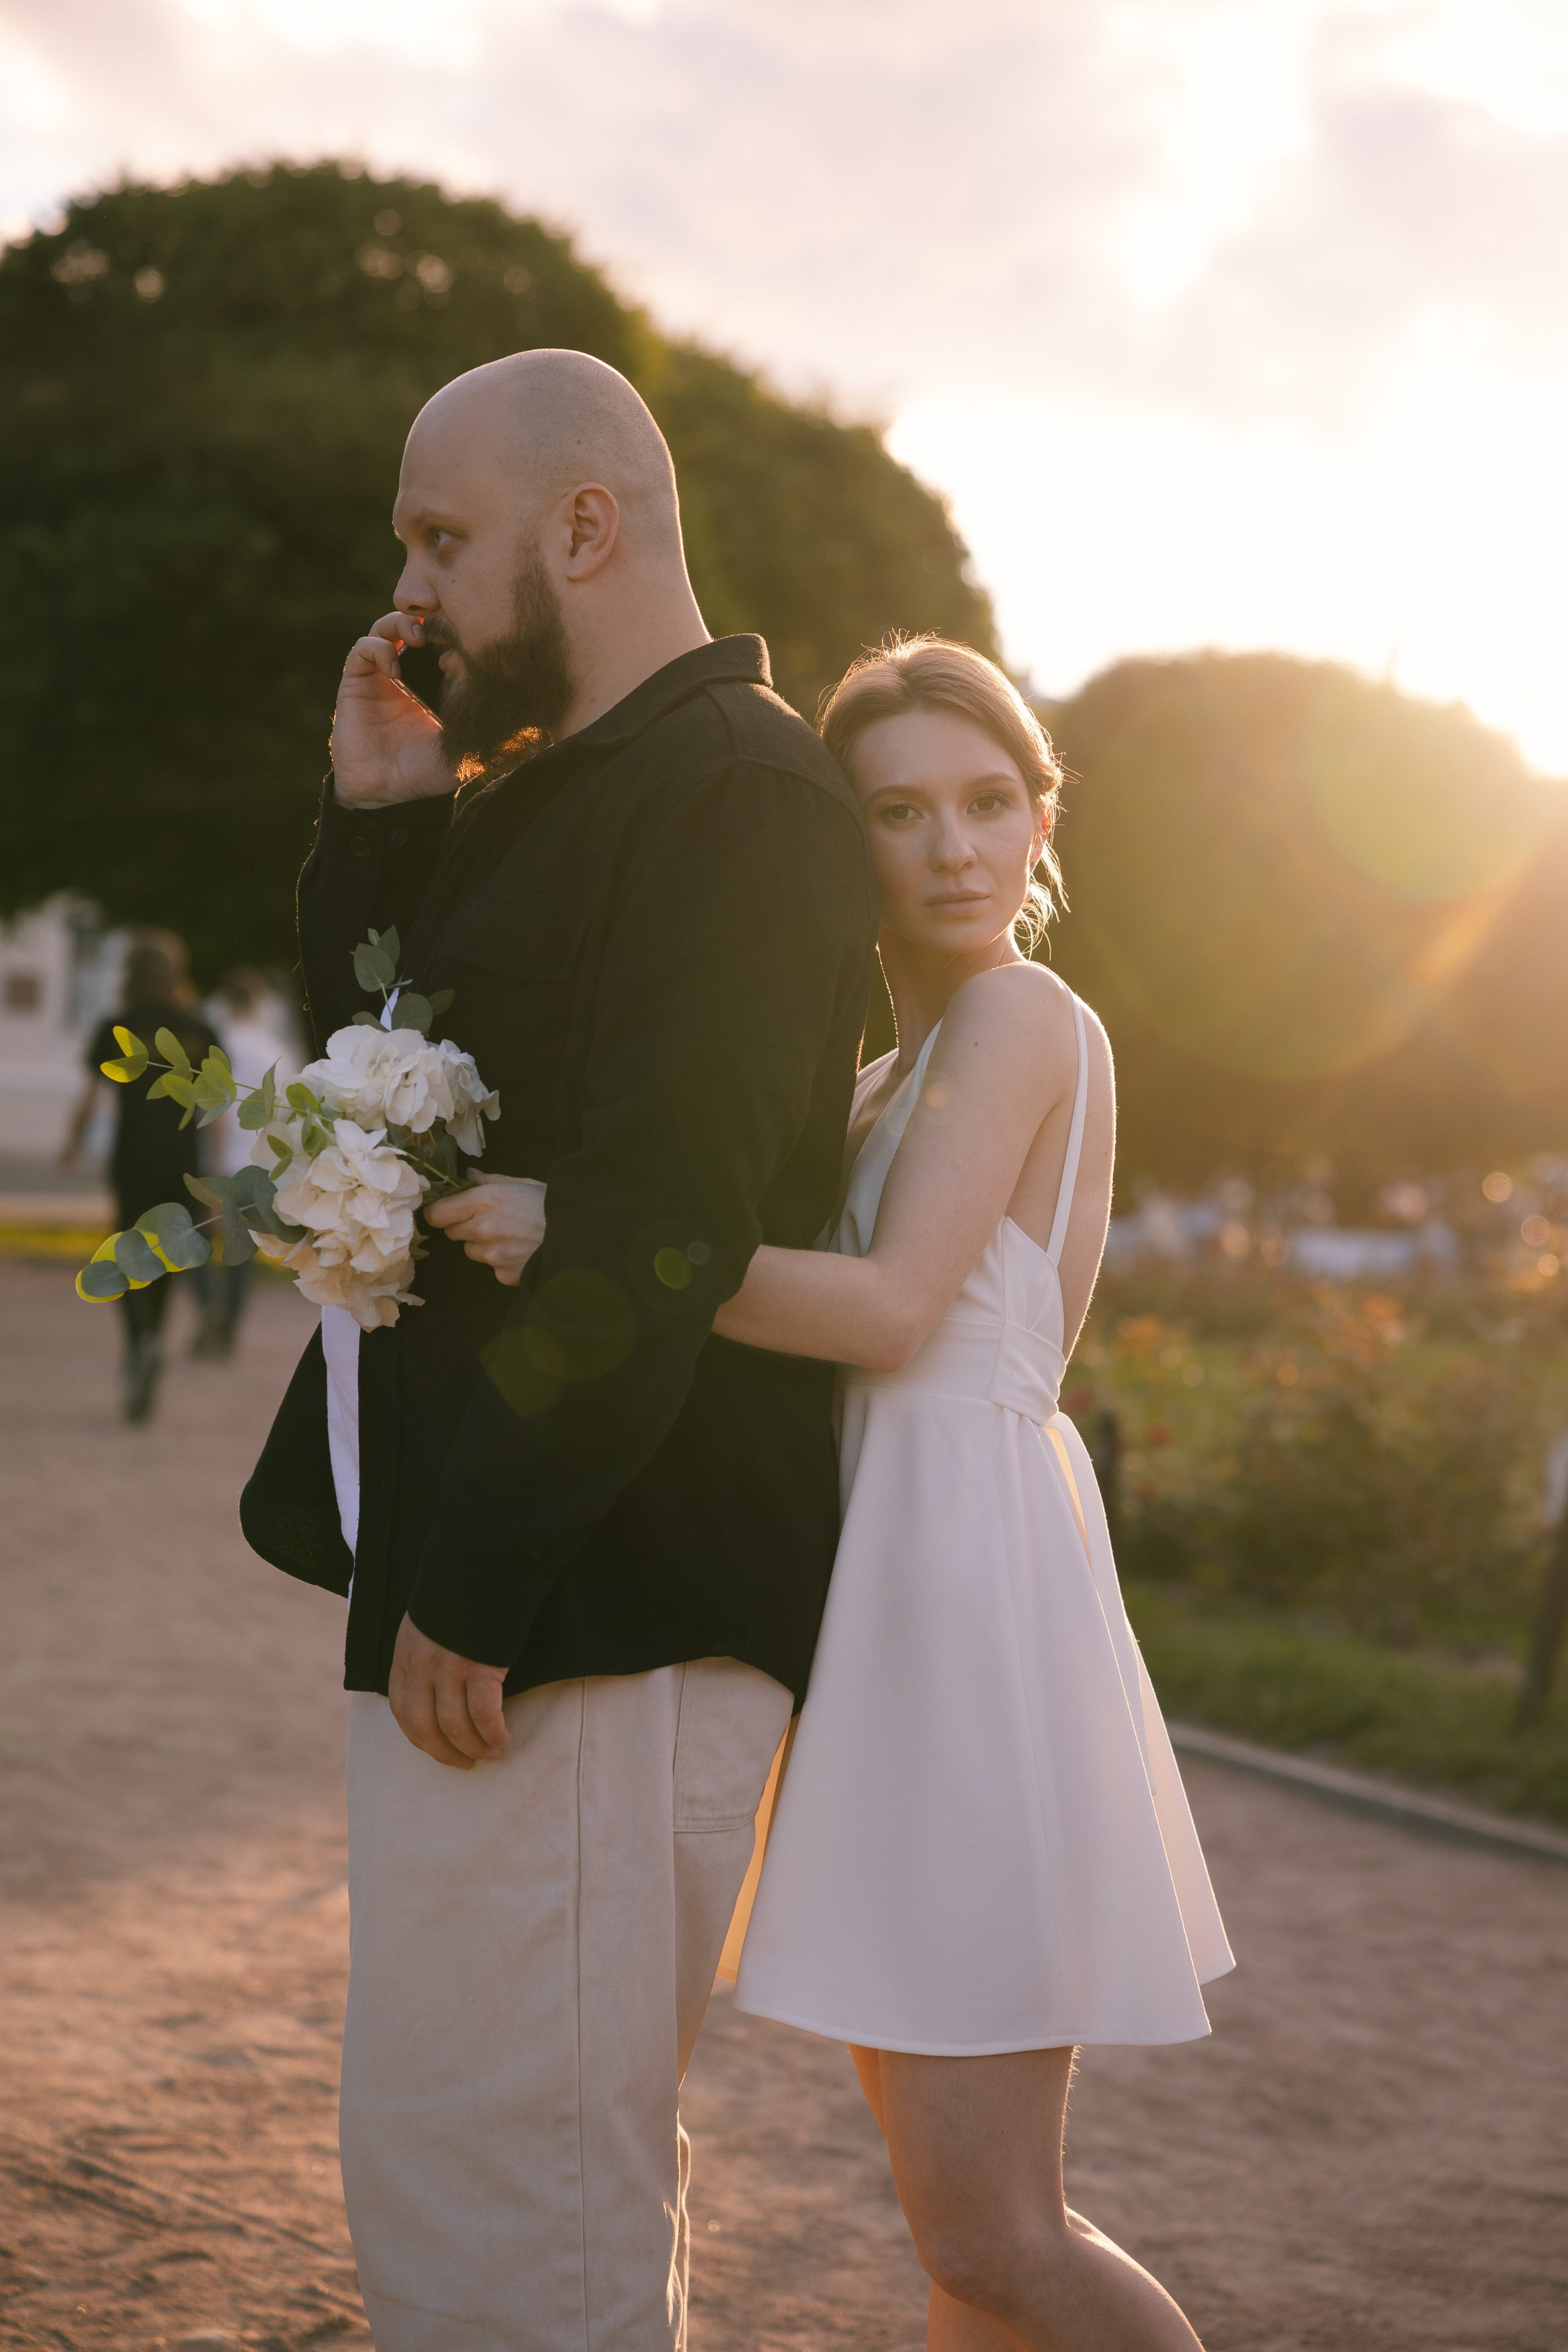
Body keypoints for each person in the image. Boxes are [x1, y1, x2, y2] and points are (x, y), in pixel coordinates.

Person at [454, 638, 1234, 2352]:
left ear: (1041, 823)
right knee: (956, 2238)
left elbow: (887, 1318)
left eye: (989, 801)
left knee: (997, 2231)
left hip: (962, 1613)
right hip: (895, 1606)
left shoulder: (1025, 1016)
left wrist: (590, 1238)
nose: (954, 846)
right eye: (897, 809)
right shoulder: (895, 1069)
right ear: (841, 839)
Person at [238, 349, 878, 2351]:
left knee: (525, 2188)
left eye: (442, 536)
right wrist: (382, 823)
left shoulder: (740, 794)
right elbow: (416, 1093)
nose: (409, 592)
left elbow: (659, 1216)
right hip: (506, 1592)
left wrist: (485, 1568)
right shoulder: (562, 787)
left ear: (582, 525)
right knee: (450, 2145)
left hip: (594, 1602)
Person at [62, 933, 222, 1422]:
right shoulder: (198, 1028)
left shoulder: (118, 1027)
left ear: (129, 973)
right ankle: (154, 1338)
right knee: (167, 1254)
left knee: (125, 1251)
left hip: (133, 1159)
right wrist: (213, 1175)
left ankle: (139, 1341)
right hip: (184, 1160)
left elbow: (91, 1095)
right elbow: (216, 1108)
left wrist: (72, 1143)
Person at [194, 968, 301, 1358]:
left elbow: (215, 1109)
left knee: (200, 1242)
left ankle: (210, 1310)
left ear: (225, 998)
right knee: (243, 1250)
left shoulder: (217, 1045)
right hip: (261, 1167)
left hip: (220, 1159)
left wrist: (214, 1167)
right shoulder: (277, 1051)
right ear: (258, 1001)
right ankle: (229, 1331)